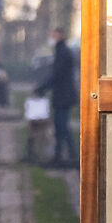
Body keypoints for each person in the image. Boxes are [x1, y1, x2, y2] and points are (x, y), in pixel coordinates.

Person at [47, 28, 77, 169]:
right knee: (62, 127)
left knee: (61, 127)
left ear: (60, 35)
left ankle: (66, 156)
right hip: (63, 95)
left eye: (54, 34)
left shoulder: (62, 52)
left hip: (63, 96)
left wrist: (41, 87)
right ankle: (69, 155)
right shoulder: (62, 51)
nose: (52, 37)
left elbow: (57, 75)